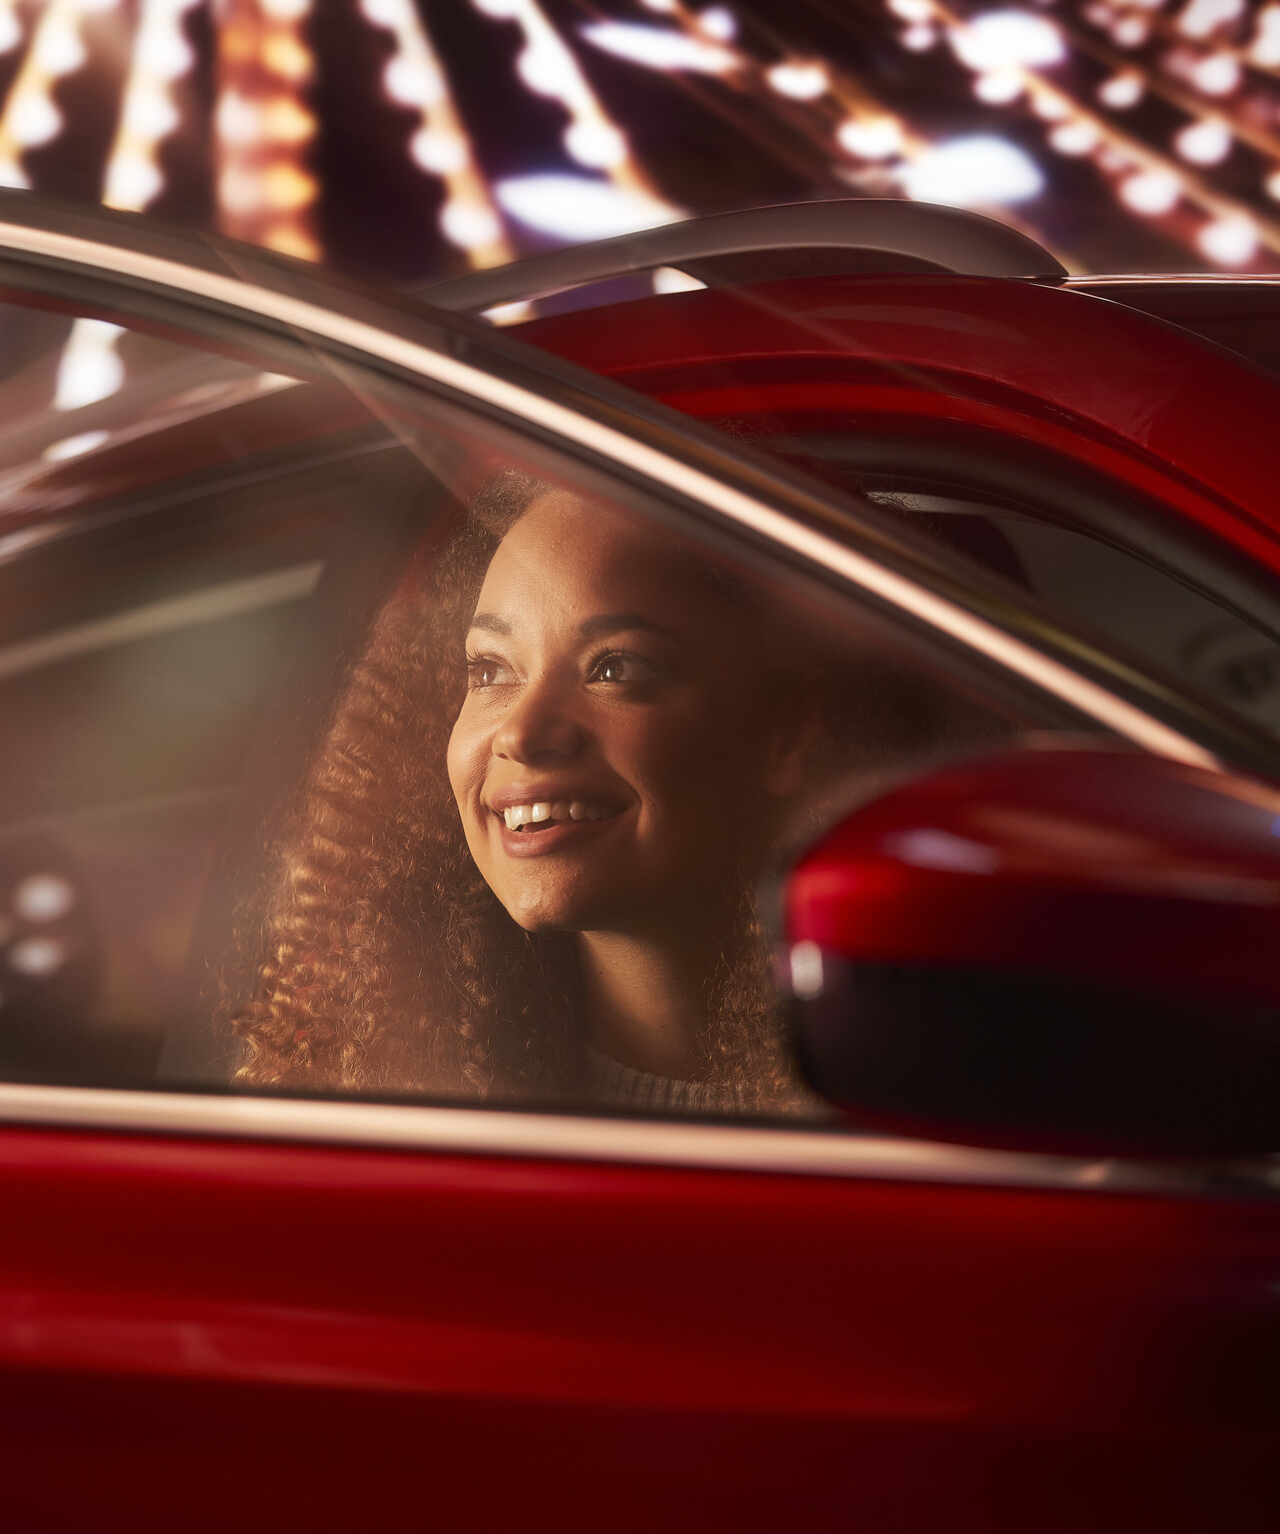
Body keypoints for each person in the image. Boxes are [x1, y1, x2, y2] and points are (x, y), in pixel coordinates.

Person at [230, 472, 942, 1113]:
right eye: (489, 669)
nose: (524, 730)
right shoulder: (367, 1111)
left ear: (790, 732)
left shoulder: (943, 1110)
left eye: (616, 667)